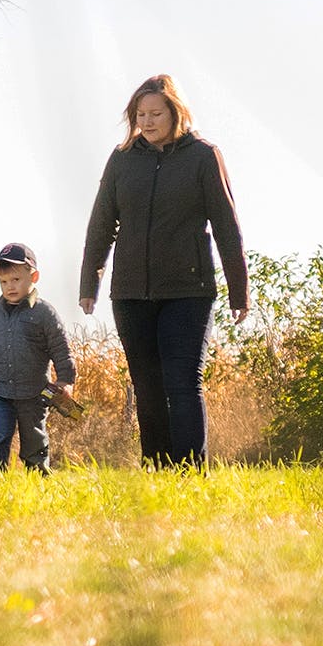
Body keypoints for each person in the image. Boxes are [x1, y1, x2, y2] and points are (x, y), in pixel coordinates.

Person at [79, 74, 249, 469]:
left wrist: (239, 291)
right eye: (141, 114)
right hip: (131, 292)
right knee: (148, 387)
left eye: (156, 113)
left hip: (188, 289)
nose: (148, 122)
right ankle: (157, 467)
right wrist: (91, 281)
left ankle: (190, 471)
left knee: (182, 383)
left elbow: (227, 226)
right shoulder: (123, 159)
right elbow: (101, 223)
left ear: (176, 113)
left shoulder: (203, 156)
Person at [0, 242, 77, 475]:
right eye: (4, 282)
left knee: (34, 437)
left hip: (34, 393)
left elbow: (60, 348)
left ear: (33, 276)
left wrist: (66, 380)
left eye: (16, 280)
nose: (10, 286)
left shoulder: (44, 313)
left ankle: (39, 478)